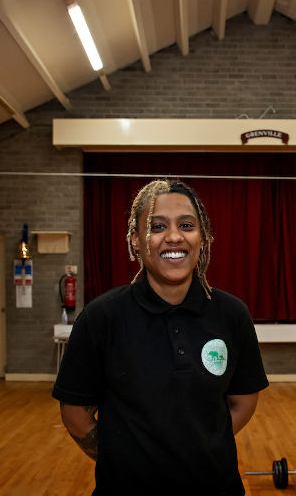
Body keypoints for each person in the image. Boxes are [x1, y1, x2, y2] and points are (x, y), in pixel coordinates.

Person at [52, 180, 269, 495]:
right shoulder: (102, 317)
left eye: (186, 225)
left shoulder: (232, 314)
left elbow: (244, 401)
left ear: (203, 238)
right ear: (135, 241)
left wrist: (197, 450)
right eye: (157, 226)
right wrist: (123, 457)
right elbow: (74, 413)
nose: (174, 237)